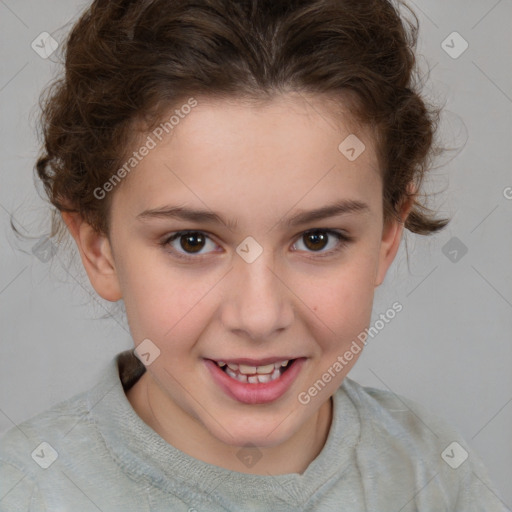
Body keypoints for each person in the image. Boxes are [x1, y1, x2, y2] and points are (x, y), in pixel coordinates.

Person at [0, 0, 508, 510]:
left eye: (317, 239)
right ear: (99, 249)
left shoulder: (436, 476)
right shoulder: (25, 492)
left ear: (387, 235)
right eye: (192, 241)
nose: (260, 316)